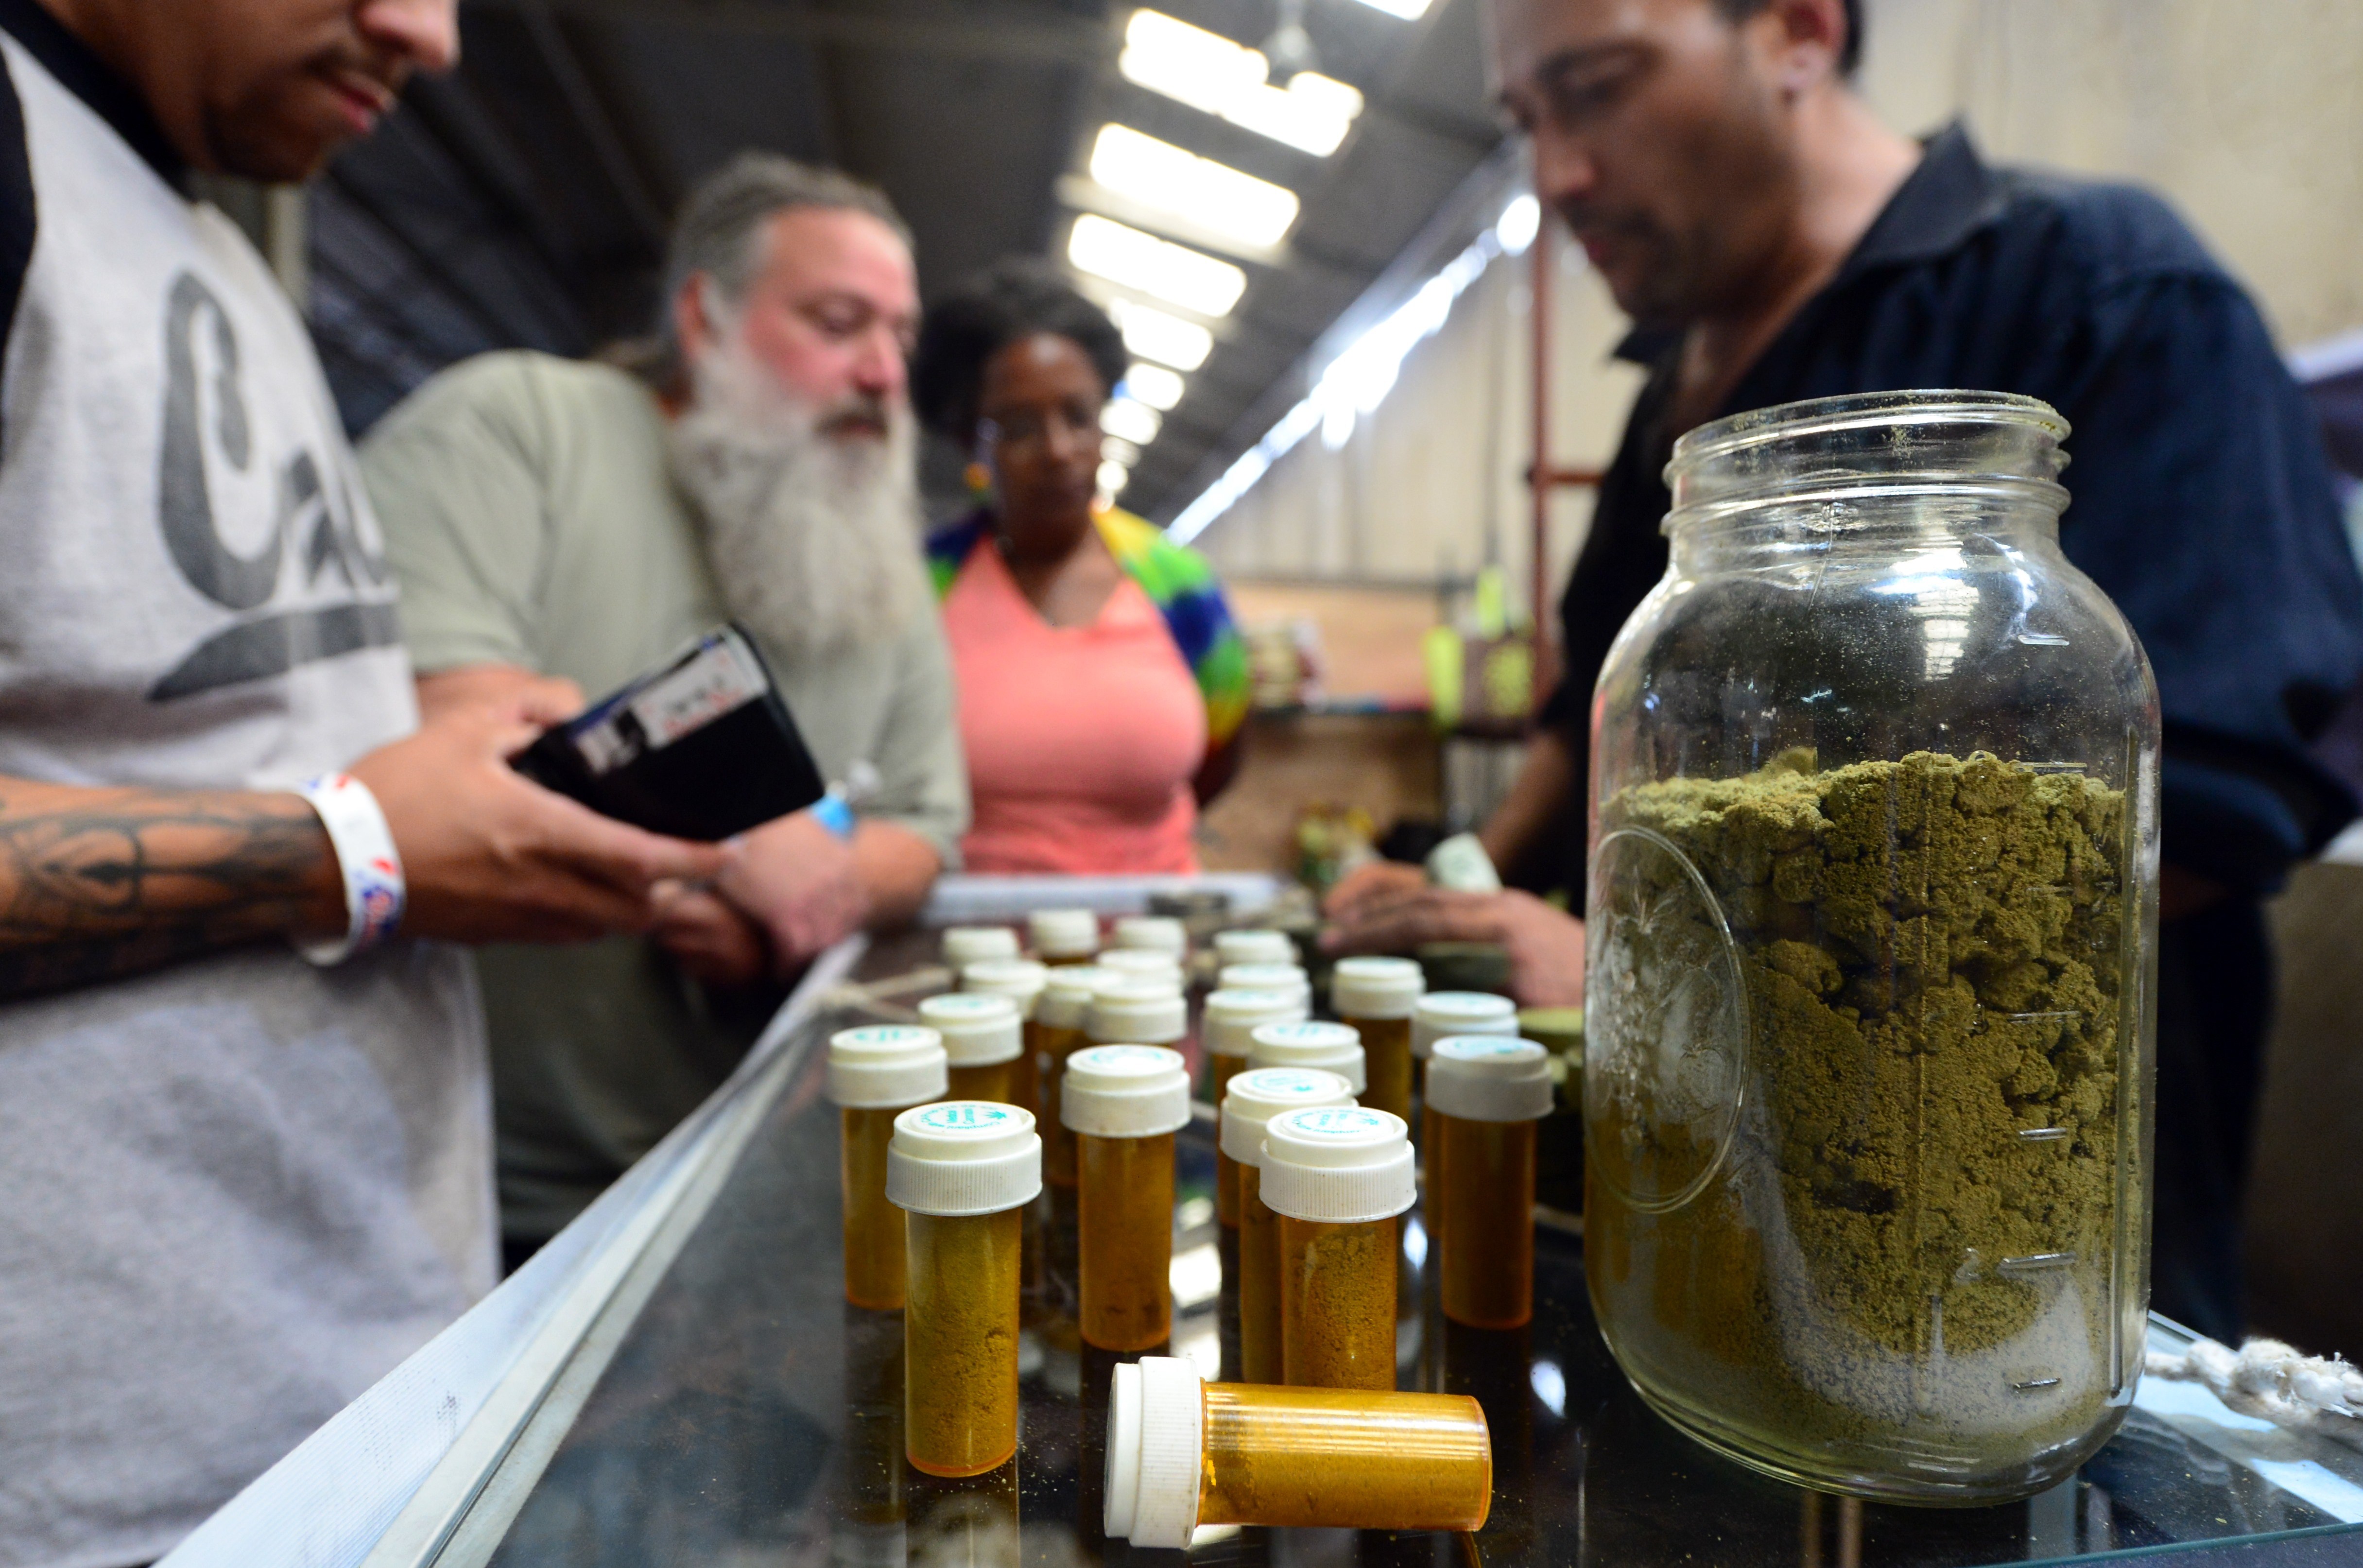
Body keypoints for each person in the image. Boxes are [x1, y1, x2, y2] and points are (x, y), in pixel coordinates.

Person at [1324, 0, 2363, 1342]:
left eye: (1594, 88)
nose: (1557, 174)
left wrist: (1655, 979)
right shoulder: (1674, 402)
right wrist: (1463, 873)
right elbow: (1585, 705)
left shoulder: (2097, 290)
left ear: (1796, 33)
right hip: (1711, 1250)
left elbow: (2208, 794)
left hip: (2006, 1276)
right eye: (1526, 120)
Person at [0, 0, 736, 1561]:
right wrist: (351, 845)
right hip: (104, 1478)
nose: (430, 33)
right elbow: (329, 830)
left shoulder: (206, 231)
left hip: (347, 1393)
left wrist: (437, 743)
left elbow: (162, 705)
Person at [363, 153, 967, 1266]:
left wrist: (814, 887)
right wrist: (734, 847)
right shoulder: (519, 429)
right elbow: (448, 717)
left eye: (900, 336)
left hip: (759, 1170)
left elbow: (926, 825)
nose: (884, 373)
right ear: (705, 315)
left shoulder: (882, 547)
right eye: (838, 323)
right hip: (471, 1200)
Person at [911, 260, 1247, 873]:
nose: (1058, 450)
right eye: (1017, 427)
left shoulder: (1182, 588)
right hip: (967, 952)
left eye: (1078, 415)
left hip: (1155, 946)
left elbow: (1221, 747)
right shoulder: (924, 587)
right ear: (969, 442)